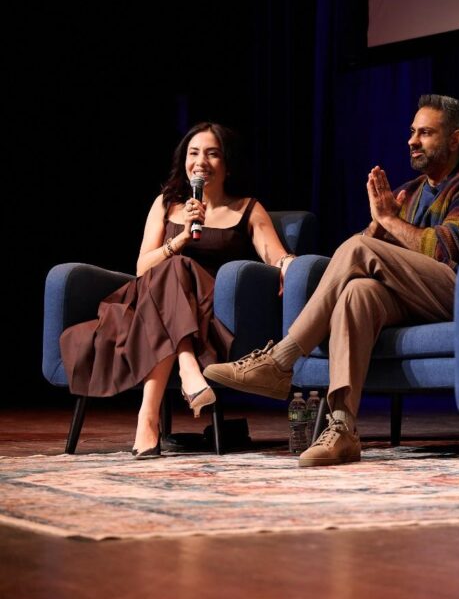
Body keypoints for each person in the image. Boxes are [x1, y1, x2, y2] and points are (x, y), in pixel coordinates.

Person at [203, 94, 459, 467]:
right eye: (412, 132)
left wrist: (388, 220)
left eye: (425, 133)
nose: (412, 140)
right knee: (357, 293)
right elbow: (366, 257)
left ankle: (281, 361)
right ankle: (343, 427)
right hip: (409, 297)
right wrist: (379, 223)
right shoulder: (407, 193)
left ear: (455, 139)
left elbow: (443, 251)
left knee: (359, 249)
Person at [59, 123, 295, 458]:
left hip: (207, 314)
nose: (201, 161)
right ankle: (186, 368)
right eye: (194, 153)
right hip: (149, 305)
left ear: (227, 164)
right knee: (173, 264)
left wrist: (287, 263)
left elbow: (275, 255)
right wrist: (181, 239)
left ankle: (148, 416)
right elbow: (142, 268)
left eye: (212, 153)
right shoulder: (166, 204)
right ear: (184, 161)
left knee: (178, 267)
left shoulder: (247, 209)